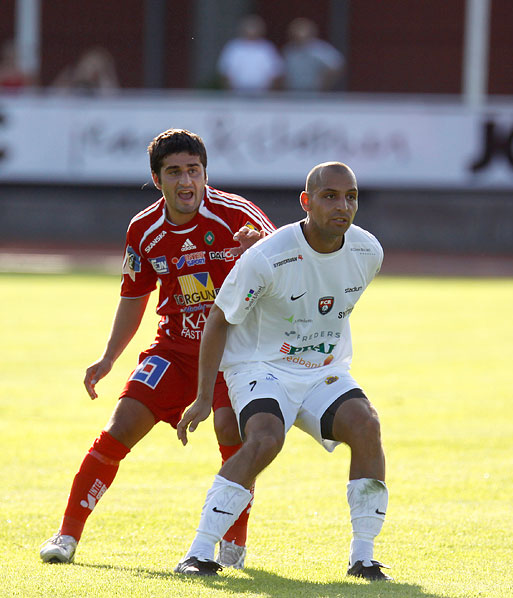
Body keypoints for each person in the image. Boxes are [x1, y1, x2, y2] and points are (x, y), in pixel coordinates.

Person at [39, 128, 275, 568]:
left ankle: (232, 545)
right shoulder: (143, 229)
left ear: (205, 174)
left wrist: (260, 253)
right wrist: (109, 356)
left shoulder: (236, 216)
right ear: (157, 177)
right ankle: (66, 536)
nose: (186, 181)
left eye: (194, 170)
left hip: (235, 353)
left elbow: (289, 270)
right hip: (175, 350)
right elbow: (134, 297)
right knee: (119, 428)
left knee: (230, 433)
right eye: (175, 172)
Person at [173, 161, 392, 582]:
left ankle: (363, 559)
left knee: (366, 425)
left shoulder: (369, 253)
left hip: (321, 370)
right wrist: (204, 397)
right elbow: (219, 319)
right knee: (267, 438)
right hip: (259, 365)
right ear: (306, 202)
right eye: (329, 196)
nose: (342, 205)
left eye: (351, 197)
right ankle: (199, 553)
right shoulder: (269, 256)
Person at [217, 15, 283, 93]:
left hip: (262, 94)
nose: (251, 31)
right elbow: (224, 71)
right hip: (237, 93)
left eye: (254, 28)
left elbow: (277, 72)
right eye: (249, 27)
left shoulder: (267, 48)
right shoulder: (233, 47)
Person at [282, 17, 345, 93]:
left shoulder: (320, 49)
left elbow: (336, 66)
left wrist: (323, 85)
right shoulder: (289, 50)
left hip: (313, 92)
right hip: (292, 92)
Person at [51, 46, 120, 95]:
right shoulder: (69, 79)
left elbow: (111, 100)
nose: (92, 71)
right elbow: (53, 100)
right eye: (90, 65)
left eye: (96, 66)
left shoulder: (104, 84)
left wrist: (102, 79)